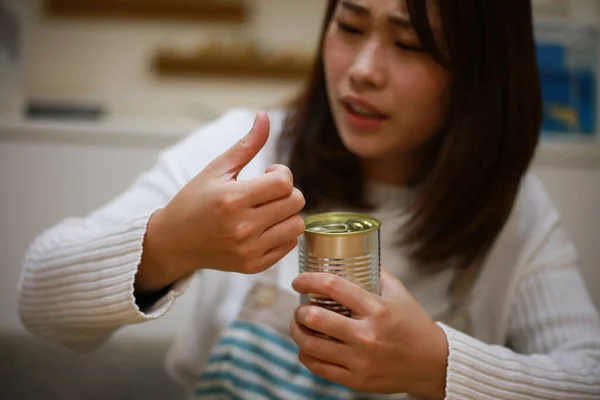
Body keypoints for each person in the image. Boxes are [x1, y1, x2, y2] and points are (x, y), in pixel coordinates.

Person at [18, 0, 600, 399]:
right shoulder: (242, 151)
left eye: (410, 42)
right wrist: (168, 244)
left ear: (482, 73)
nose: (363, 70)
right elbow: (40, 297)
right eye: (349, 28)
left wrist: (438, 366)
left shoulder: (513, 211)